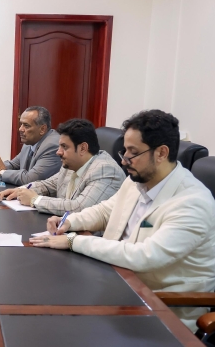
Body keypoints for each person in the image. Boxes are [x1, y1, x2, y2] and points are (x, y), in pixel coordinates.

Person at [30, 110, 215, 331]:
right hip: (116, 285)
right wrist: (70, 222)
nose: (124, 159)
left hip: (161, 310)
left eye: (133, 152)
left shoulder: (192, 202)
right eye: (125, 150)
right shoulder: (138, 180)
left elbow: (145, 256)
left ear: (161, 153)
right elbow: (105, 211)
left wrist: (73, 241)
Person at [0, 119, 125, 216]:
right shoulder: (72, 164)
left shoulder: (105, 170)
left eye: (64, 147)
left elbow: (80, 207)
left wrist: (34, 199)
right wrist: (20, 191)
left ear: (83, 148)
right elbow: (49, 185)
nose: (58, 152)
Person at [0, 106, 61, 185]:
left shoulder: (52, 146)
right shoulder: (30, 141)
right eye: (21, 124)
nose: (20, 129)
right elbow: (14, 164)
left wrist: (1, 171)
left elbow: (30, 179)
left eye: (26, 125)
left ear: (42, 129)